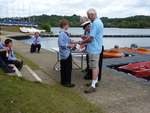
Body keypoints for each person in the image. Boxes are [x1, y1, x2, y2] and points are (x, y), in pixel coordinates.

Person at [79, 9, 104, 93]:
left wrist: (82, 42)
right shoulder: (99, 21)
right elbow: (93, 37)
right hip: (97, 48)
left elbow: (91, 38)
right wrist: (85, 39)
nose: (89, 20)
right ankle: (95, 82)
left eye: (89, 17)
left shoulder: (96, 24)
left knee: (94, 67)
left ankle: (93, 86)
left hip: (94, 49)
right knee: (96, 66)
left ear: (92, 15)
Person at [58, 19, 76, 88]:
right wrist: (70, 45)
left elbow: (67, 41)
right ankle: (67, 83)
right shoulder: (62, 34)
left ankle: (63, 82)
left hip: (64, 54)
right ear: (64, 25)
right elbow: (62, 44)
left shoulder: (64, 33)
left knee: (64, 68)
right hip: (66, 54)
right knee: (67, 69)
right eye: (68, 24)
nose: (68, 26)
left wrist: (72, 42)